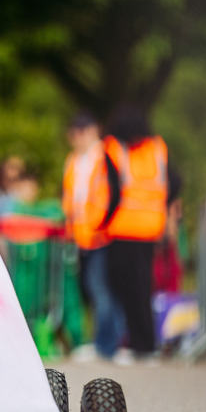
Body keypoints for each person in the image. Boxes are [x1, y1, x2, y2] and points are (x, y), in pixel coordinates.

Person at [96, 104, 182, 361]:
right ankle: (143, 344)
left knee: (125, 288)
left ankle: (140, 346)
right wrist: (161, 207)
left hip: (123, 230)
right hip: (150, 229)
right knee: (142, 288)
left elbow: (113, 193)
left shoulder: (115, 148)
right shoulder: (157, 148)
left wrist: (102, 223)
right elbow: (175, 182)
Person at [62, 110, 124, 362]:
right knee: (92, 289)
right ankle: (102, 342)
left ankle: (107, 345)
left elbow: (114, 193)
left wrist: (102, 223)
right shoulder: (75, 160)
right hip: (82, 235)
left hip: (102, 234)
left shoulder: (105, 155)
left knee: (102, 290)